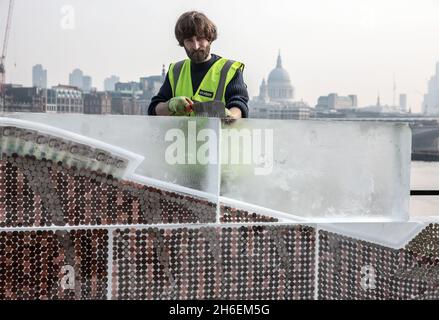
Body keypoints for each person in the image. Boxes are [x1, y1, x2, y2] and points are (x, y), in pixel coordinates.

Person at [148, 11, 249, 119]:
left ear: (209, 38)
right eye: (189, 41)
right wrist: (170, 106)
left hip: (216, 135)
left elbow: (239, 105)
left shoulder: (229, 70)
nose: (196, 46)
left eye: (200, 38)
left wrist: (230, 116)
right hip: (181, 136)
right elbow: (154, 109)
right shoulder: (175, 71)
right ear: (183, 43)